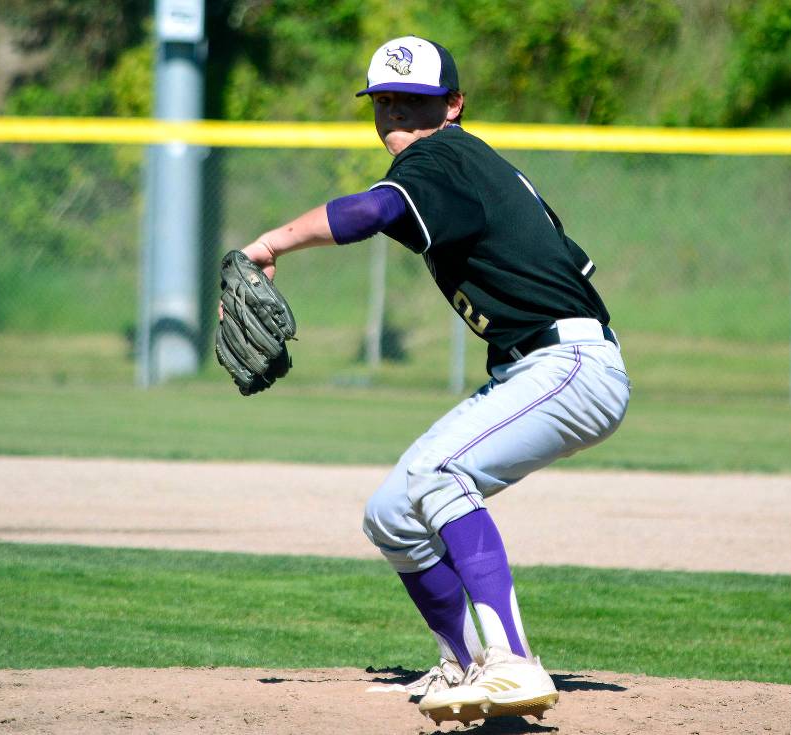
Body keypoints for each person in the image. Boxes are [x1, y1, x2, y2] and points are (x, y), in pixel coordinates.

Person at [238, 35, 630, 725]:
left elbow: (371, 212)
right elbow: (572, 262)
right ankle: (470, 659)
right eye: (385, 101)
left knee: (442, 474)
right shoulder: (476, 167)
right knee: (392, 512)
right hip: (544, 362)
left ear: (452, 105)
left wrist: (269, 244)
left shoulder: (440, 154)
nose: (397, 115)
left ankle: (510, 661)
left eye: (414, 101)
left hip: (567, 364)